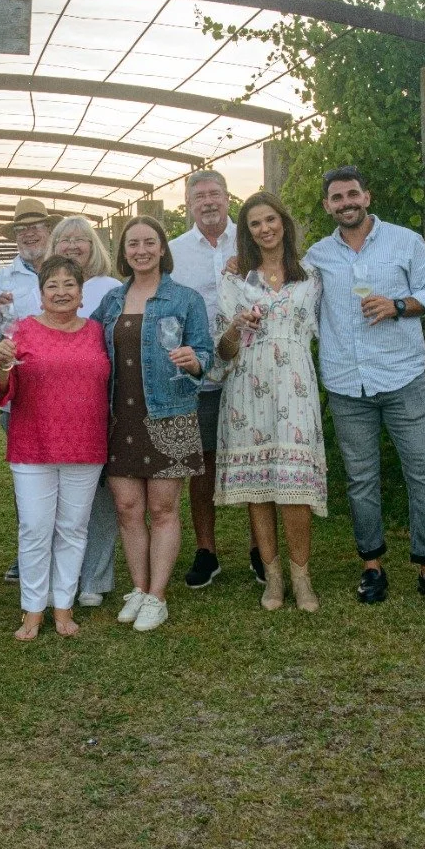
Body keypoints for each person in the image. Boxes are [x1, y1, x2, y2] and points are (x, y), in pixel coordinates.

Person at [305, 166, 425, 610]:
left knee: (423, 474)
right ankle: (371, 565)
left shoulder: (404, 240)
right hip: (347, 384)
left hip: (401, 377)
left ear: (366, 197)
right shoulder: (317, 256)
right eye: (337, 197)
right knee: (360, 479)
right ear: (328, 206)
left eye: (353, 194)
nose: (346, 202)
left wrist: (397, 305)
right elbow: (284, 285)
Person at [92, 216, 213, 632]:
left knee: (162, 510)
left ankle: (158, 596)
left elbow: (206, 353)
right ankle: (140, 589)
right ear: (123, 253)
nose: (141, 250)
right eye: (132, 244)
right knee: (128, 509)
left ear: (163, 248)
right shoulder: (110, 301)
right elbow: (82, 341)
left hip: (170, 413)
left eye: (149, 242)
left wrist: (195, 362)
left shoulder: (186, 299)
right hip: (118, 416)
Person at [0, 256, 111, 640]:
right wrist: (4, 366)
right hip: (33, 444)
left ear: (81, 292)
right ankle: (32, 609)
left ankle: (64, 606)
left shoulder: (96, 332)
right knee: (36, 528)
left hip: (85, 443)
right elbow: (0, 389)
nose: (61, 292)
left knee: (73, 529)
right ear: (40, 294)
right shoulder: (22, 331)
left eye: (68, 284)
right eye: (52, 285)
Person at [212, 192, 326, 613]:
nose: (265, 228)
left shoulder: (311, 275)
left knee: (295, 485)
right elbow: (223, 351)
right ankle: (273, 577)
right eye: (255, 223)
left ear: (284, 222)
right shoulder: (236, 279)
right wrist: (236, 326)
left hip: (295, 384)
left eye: (270, 219)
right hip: (248, 383)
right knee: (259, 486)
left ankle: (302, 575)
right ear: (247, 233)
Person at [167, 169, 241, 589]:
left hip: (251, 372)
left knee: (255, 459)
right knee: (203, 464)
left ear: (228, 197)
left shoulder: (248, 240)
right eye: (200, 196)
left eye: (215, 193)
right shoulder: (175, 252)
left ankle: (257, 549)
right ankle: (206, 550)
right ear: (189, 204)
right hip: (201, 376)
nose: (209, 202)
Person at [48, 215, 124, 608]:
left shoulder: (111, 288)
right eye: (64, 239)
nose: (73, 245)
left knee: (101, 495)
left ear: (94, 246)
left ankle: (95, 575)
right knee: (60, 497)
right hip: (53, 409)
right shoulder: (45, 286)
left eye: (82, 239)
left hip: (103, 402)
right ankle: (63, 575)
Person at [0, 197, 57, 584]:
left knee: (71, 474)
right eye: (21, 228)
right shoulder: (0, 279)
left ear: (49, 230)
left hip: (65, 390)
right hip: (22, 394)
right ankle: (27, 554)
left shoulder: (69, 269)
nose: (29, 234)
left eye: (36, 226)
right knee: (27, 478)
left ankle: (64, 552)